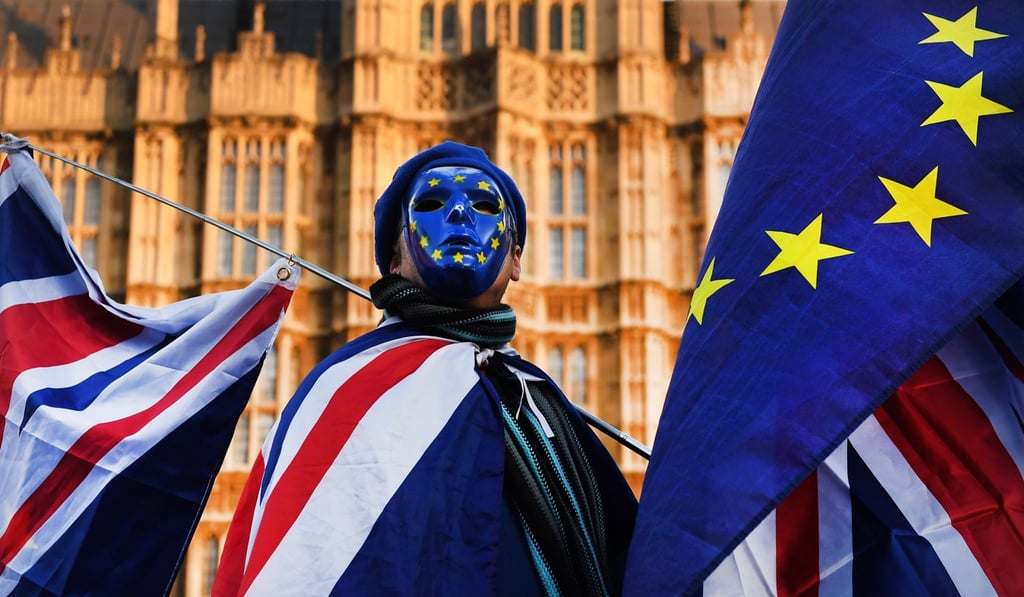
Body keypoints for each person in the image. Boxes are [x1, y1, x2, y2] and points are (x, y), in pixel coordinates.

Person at [213, 141, 637, 596]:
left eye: (483, 204)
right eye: (433, 204)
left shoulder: (539, 400)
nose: (459, 214)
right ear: (395, 258)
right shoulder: (347, 387)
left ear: (516, 258)